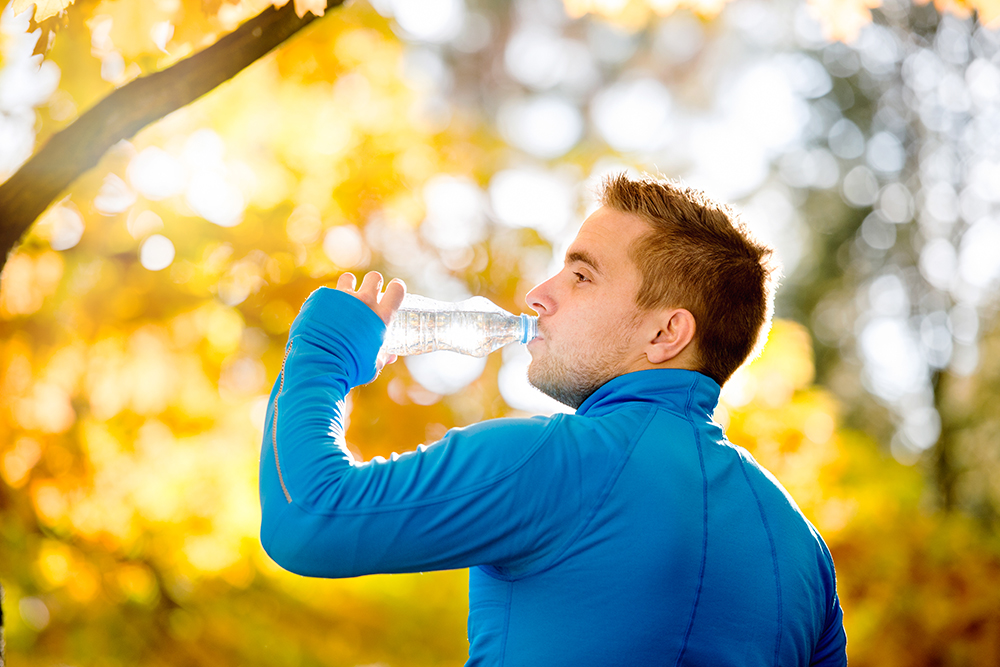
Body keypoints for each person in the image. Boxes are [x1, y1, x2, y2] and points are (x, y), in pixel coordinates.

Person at [258, 173, 848, 666]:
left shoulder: (555, 461)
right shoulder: (805, 554)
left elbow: (308, 518)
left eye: (582, 276)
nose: (539, 294)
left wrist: (323, 352)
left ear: (666, 333)